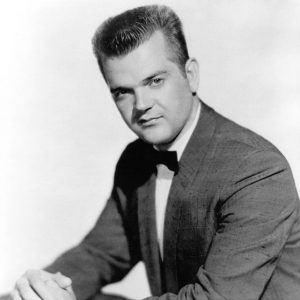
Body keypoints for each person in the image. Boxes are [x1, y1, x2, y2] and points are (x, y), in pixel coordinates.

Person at [11, 4, 300, 300]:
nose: (141, 104)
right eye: (123, 91)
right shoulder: (137, 159)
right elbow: (98, 255)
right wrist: (34, 292)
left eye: (155, 81)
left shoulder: (257, 170)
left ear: (191, 75)